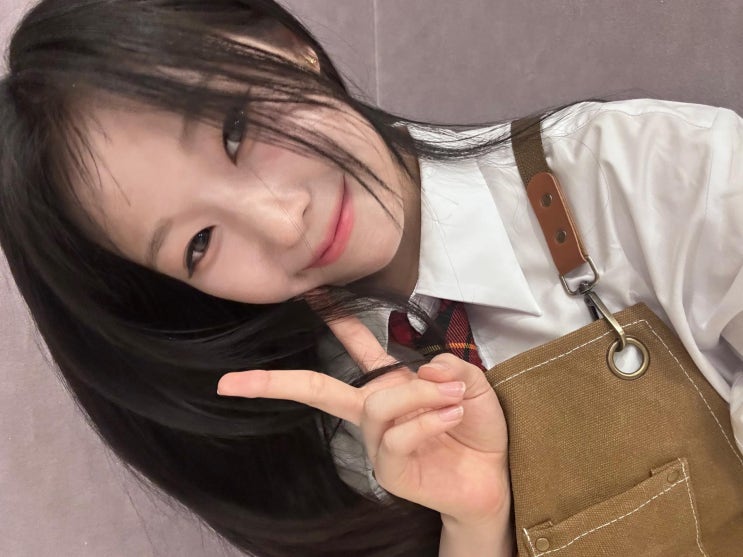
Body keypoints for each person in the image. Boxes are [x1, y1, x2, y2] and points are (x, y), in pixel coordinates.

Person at [0, 1, 741, 556]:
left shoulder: (652, 175)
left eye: (236, 128)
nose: (281, 222)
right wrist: (474, 528)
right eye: (199, 243)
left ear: (285, 45)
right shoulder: (334, 425)